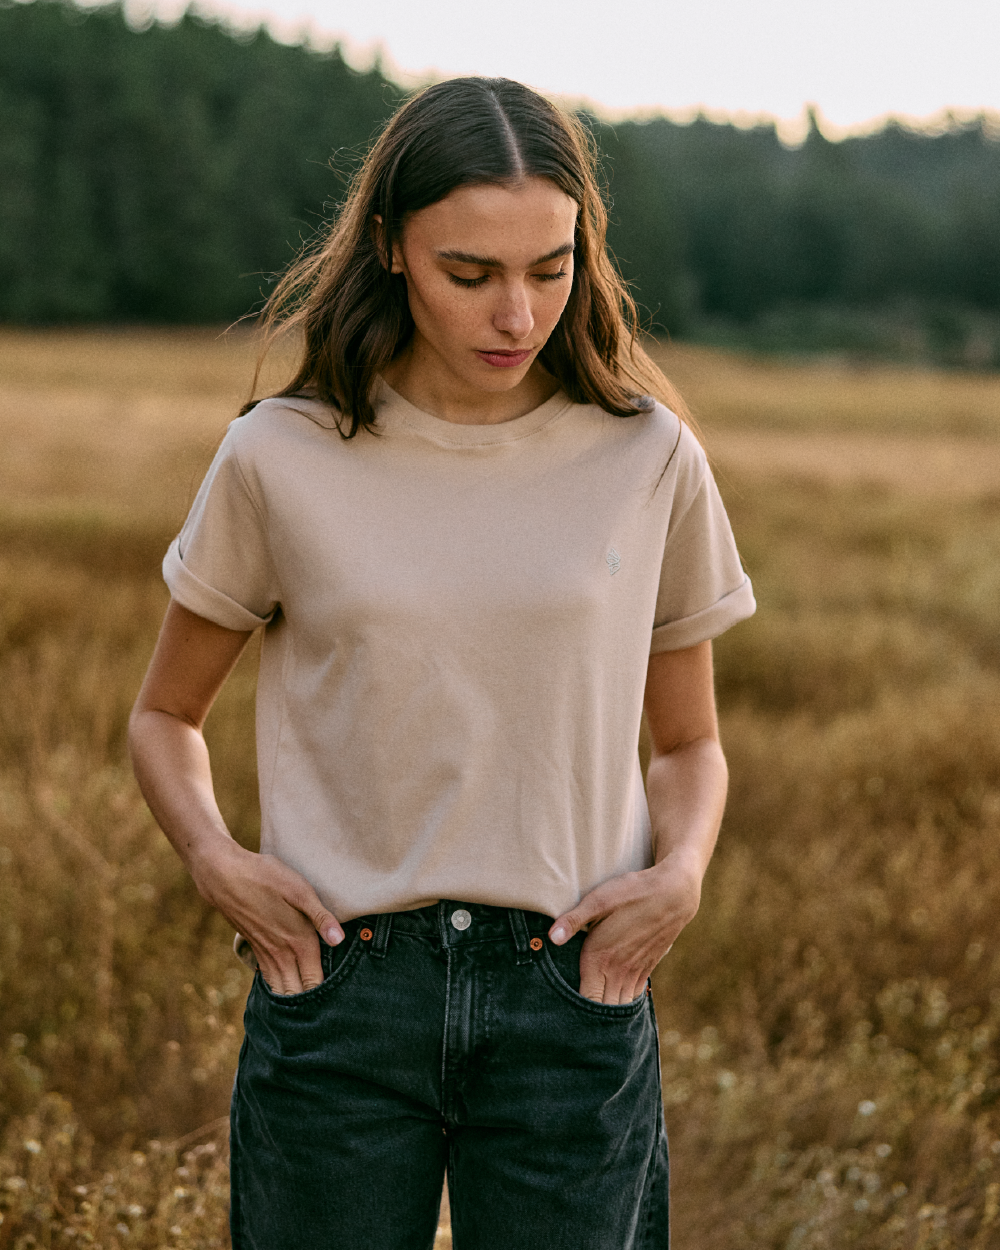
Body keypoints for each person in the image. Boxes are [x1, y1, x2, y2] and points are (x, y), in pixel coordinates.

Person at [129, 76, 755, 1250]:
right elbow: (165, 712)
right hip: (344, 993)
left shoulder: (647, 453)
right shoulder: (279, 456)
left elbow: (689, 739)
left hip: (573, 987)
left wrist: (682, 873)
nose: (515, 312)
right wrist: (216, 859)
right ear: (388, 246)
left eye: (549, 267)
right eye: (470, 273)